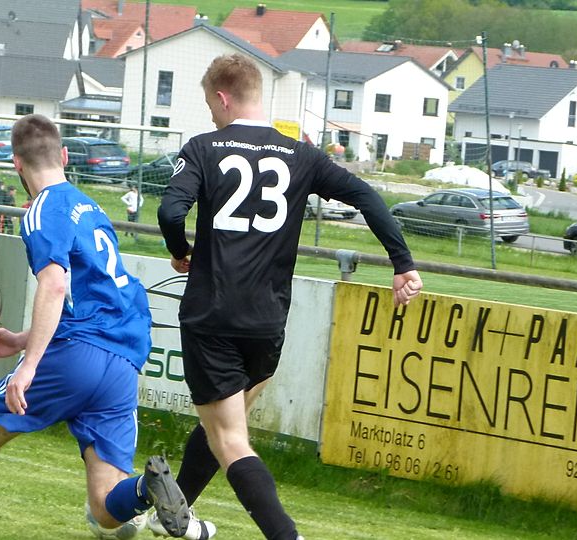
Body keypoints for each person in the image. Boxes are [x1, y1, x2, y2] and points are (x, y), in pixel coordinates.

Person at [157, 54, 423, 540]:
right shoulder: (301, 155)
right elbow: (367, 197)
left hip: (213, 312)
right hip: (267, 320)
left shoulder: (203, 148)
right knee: (227, 420)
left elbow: (171, 212)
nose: (211, 115)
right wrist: (402, 263)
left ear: (223, 98)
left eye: (210, 105)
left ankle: (285, 535)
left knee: (229, 437)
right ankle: (171, 513)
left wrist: (180, 252)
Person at [0, 114, 190, 540]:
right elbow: (89, 296)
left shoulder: (42, 210)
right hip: (123, 358)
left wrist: (28, 363)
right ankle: (145, 489)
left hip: (78, 351)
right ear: (66, 156)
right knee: (106, 509)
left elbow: (55, 286)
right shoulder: (90, 208)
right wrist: (23, 339)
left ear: (16, 164)